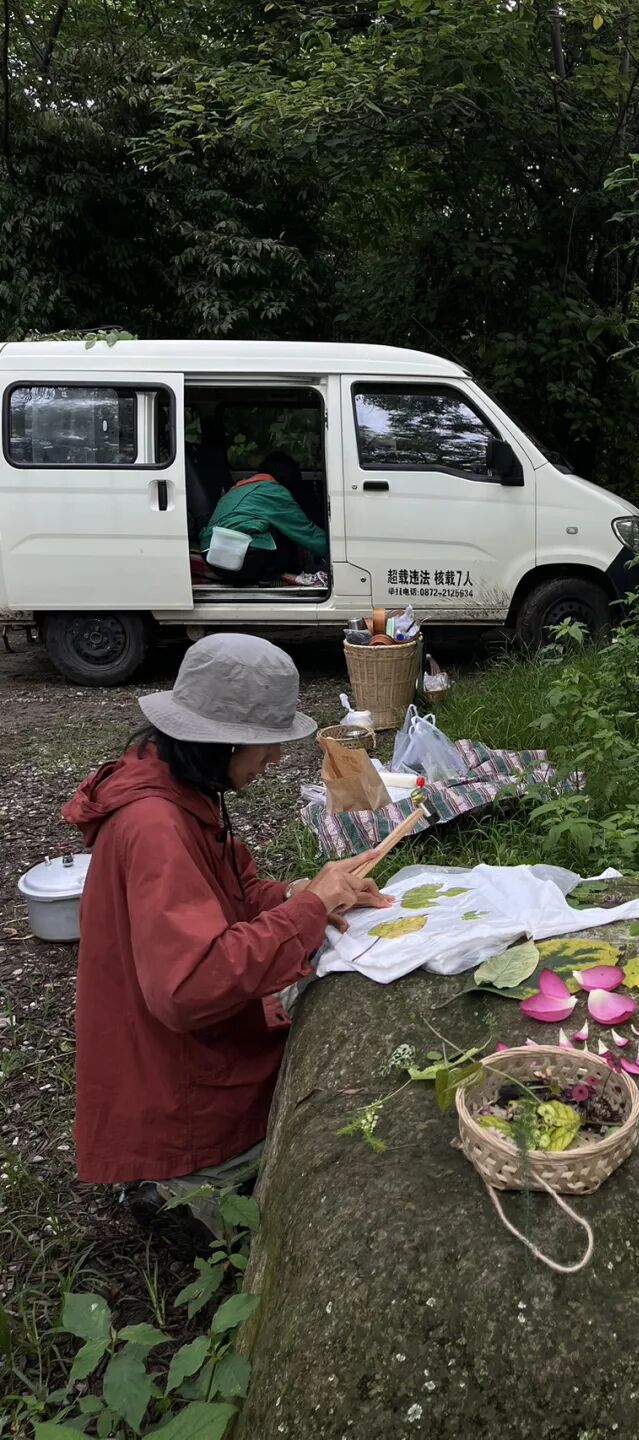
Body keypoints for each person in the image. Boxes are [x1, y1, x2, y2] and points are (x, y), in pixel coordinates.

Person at [63, 633, 390, 1230]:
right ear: (223, 739)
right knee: (342, 1118)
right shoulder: (155, 825)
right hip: (178, 1086)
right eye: (268, 742)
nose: (276, 758)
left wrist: (299, 894)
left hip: (177, 1052)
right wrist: (307, 910)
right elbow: (189, 986)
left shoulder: (180, 786)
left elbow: (228, 900)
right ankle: (177, 1188)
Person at [200, 450, 329, 585]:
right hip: (243, 557)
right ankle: (273, 575)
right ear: (288, 479)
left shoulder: (236, 489)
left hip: (212, 557)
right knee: (285, 534)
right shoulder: (274, 490)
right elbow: (305, 532)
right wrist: (337, 550)